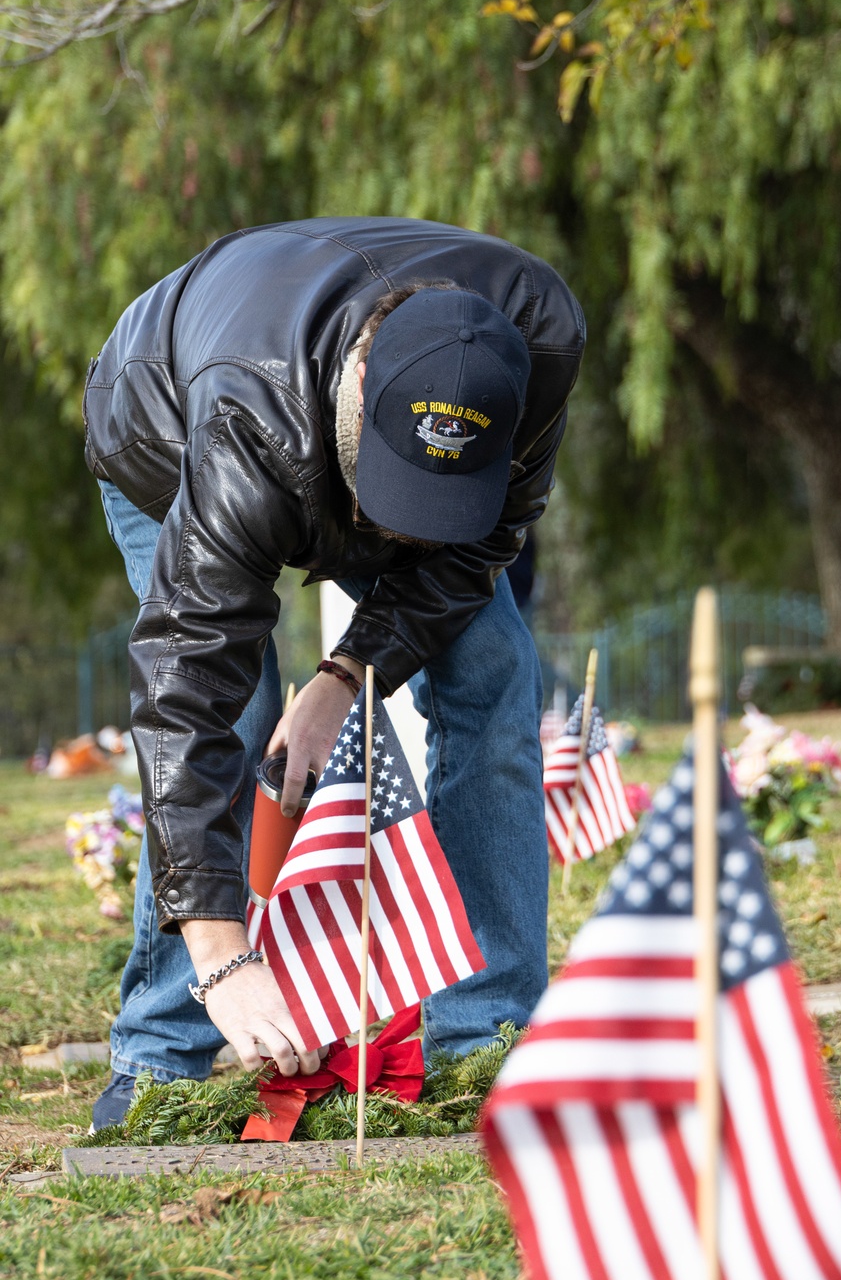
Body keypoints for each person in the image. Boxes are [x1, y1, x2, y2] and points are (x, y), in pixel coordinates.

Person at [82, 216, 586, 1128]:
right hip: (166, 427)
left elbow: (482, 549)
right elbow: (182, 692)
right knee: (237, 716)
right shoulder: (247, 420)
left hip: (314, 425)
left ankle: (489, 1040)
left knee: (494, 666)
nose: (399, 535)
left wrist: (348, 673)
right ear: (361, 381)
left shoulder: (539, 338)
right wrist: (225, 958)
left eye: (438, 502)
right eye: (396, 496)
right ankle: (159, 1050)